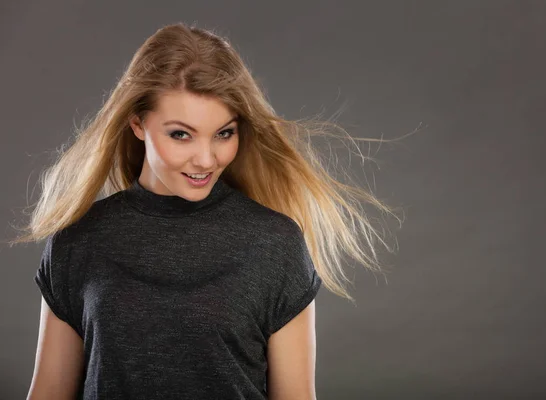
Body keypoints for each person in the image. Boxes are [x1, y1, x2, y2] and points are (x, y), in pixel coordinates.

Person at [11, 22, 402, 400]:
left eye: (223, 134)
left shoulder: (275, 244)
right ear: (137, 124)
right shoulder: (79, 243)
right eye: (181, 134)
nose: (205, 159)